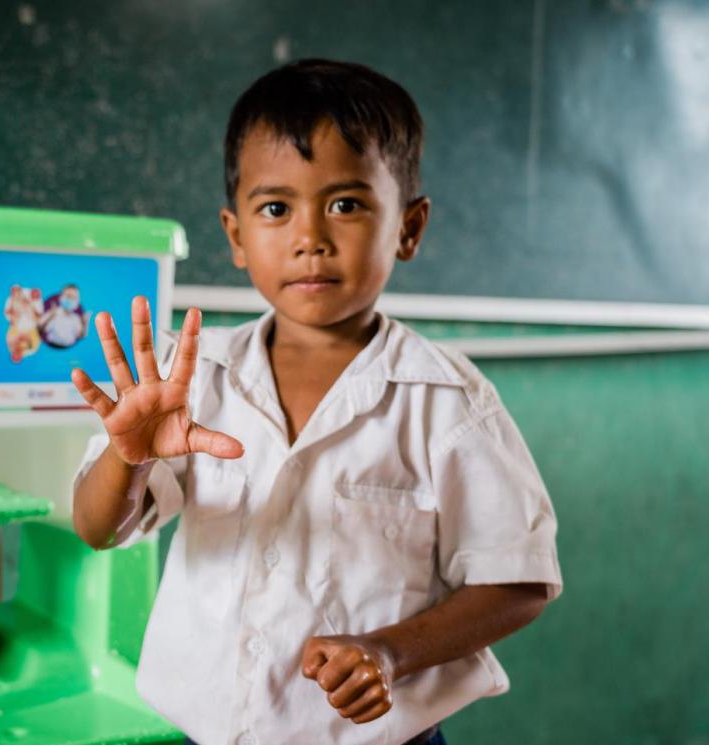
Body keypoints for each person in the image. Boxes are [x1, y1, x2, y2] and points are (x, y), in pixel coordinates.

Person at [69, 60, 562, 745]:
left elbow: (518, 579)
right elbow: (97, 527)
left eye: (346, 204)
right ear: (236, 235)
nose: (310, 237)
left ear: (408, 228)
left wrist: (391, 650)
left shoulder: (447, 401)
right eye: (275, 208)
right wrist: (125, 460)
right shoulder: (197, 378)